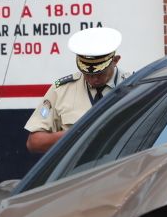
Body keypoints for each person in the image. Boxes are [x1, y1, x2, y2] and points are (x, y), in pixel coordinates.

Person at [24, 26, 132, 154]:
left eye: (100, 73)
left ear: (115, 60)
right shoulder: (61, 90)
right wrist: (75, 135)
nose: (94, 79)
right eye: (87, 74)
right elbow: (34, 142)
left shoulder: (134, 87)